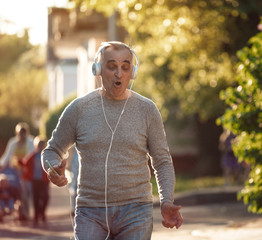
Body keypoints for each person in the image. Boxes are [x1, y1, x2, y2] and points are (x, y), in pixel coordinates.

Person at [42, 41, 183, 239]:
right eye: (111, 66)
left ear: (132, 72)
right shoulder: (79, 109)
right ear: (98, 70)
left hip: (136, 211)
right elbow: (52, 150)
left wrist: (166, 200)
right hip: (90, 212)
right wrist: (53, 166)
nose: (119, 73)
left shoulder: (147, 110)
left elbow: (162, 161)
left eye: (125, 67)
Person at [0, 122, 34, 221]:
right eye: (19, 133)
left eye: (23, 133)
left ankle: (25, 213)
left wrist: (25, 167)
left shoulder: (31, 142)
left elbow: (30, 156)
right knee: (13, 190)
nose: (21, 135)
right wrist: (1, 165)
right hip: (13, 171)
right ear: (17, 133)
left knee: (25, 193)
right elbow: (7, 155)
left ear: (26, 133)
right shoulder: (13, 142)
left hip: (25, 172)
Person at [20, 136, 49, 226]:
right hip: (35, 180)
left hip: (45, 180)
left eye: (42, 145)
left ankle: (42, 212)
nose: (40, 147)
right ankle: (36, 215)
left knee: (46, 197)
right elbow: (25, 162)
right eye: (39, 145)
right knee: (35, 198)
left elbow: (51, 164)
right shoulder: (33, 155)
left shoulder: (47, 155)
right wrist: (18, 161)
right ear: (36, 146)